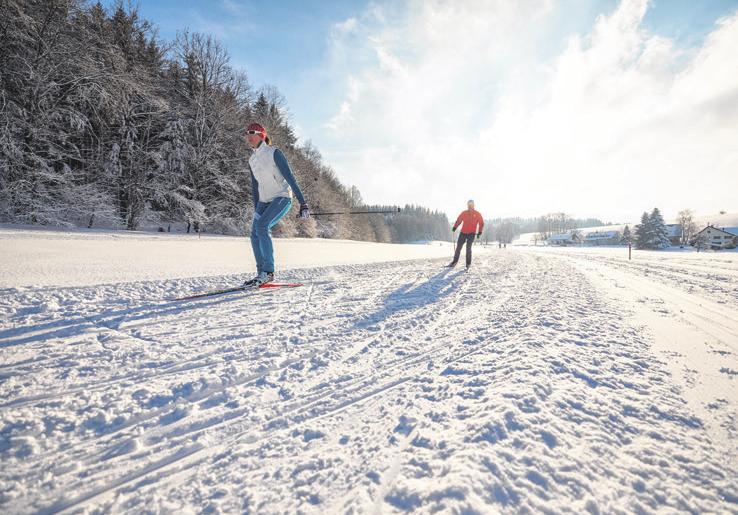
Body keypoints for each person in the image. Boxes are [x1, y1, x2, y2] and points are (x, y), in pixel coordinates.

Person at [243, 123, 309, 287]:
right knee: (254, 232)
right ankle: (261, 273)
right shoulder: (252, 160)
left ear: (262, 135)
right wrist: (257, 209)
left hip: (282, 196)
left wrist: (303, 204)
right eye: (247, 133)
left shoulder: (274, 153)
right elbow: (255, 187)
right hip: (263, 202)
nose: (248, 136)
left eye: (252, 132)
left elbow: (290, 177)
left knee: (262, 226)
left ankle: (268, 272)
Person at [447, 199, 484, 268]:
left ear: (473, 205)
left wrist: (479, 232)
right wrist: (454, 227)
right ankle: (454, 262)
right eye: (469, 205)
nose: (470, 206)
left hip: (471, 233)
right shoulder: (464, 213)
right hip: (463, 232)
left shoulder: (477, 214)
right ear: (467, 205)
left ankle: (468, 263)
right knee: (458, 247)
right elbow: (459, 220)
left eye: (471, 205)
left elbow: (481, 223)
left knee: (468, 247)